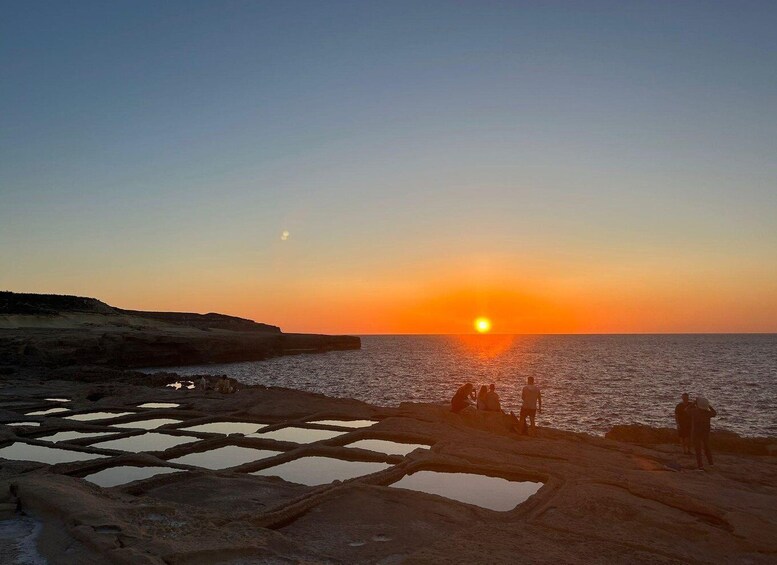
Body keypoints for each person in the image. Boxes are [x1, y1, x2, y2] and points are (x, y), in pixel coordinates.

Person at [687, 396, 717, 470]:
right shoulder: (708, 413)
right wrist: (709, 406)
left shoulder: (694, 412)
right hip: (705, 432)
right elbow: (715, 413)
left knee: (698, 450)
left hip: (696, 433)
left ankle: (700, 466)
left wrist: (693, 403)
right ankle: (711, 464)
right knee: (707, 448)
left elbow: (686, 410)